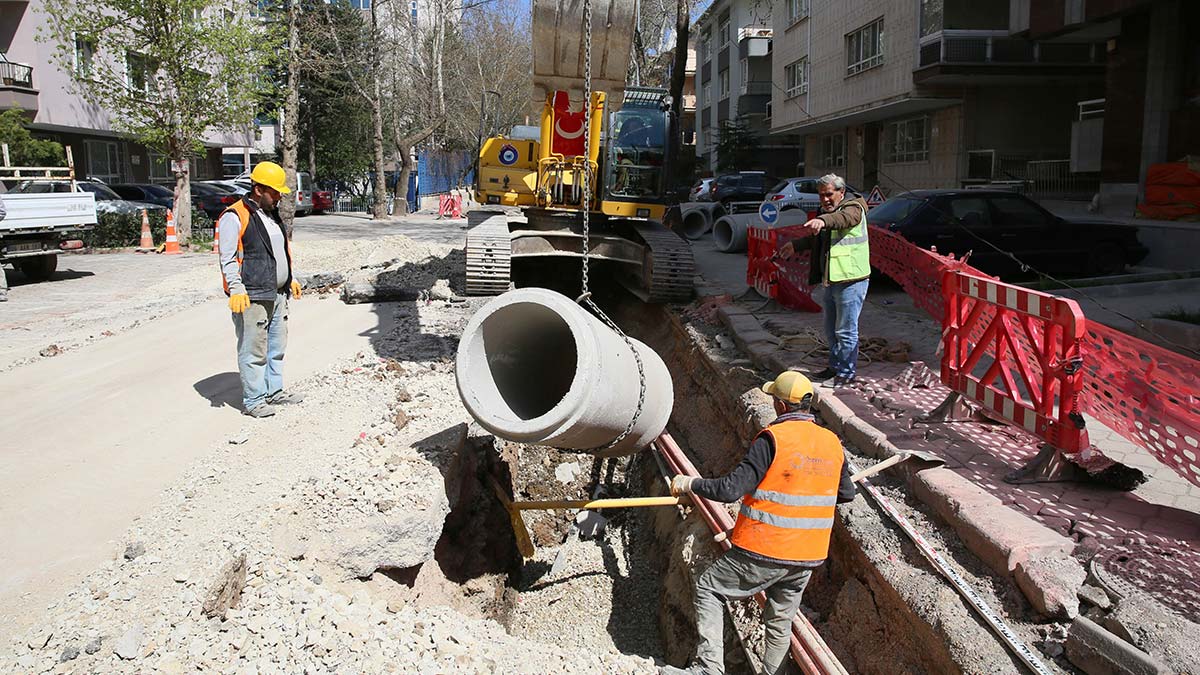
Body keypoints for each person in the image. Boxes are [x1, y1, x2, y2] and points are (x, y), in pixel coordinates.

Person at [665, 371, 856, 675]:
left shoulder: (772, 439)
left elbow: (729, 489)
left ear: (780, 406)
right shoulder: (832, 443)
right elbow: (846, 494)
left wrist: (691, 484)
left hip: (765, 549)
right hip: (807, 556)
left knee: (709, 588)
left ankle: (708, 668)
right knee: (780, 622)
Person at [218, 161, 303, 418]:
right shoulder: (234, 216)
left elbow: (278, 252)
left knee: (275, 346)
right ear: (258, 189)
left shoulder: (270, 214)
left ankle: (273, 391)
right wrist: (236, 289)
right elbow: (228, 257)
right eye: (275, 192)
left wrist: (291, 278)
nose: (279, 197)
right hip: (252, 295)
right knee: (253, 348)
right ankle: (254, 400)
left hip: (276, 293)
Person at [777, 174, 870, 386]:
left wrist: (822, 220)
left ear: (841, 192)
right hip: (833, 280)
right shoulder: (829, 212)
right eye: (821, 195)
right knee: (831, 331)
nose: (825, 199)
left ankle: (846, 375)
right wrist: (796, 245)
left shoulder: (854, 208)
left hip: (851, 280)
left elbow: (843, 220)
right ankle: (834, 368)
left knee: (846, 331)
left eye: (829, 194)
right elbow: (819, 237)